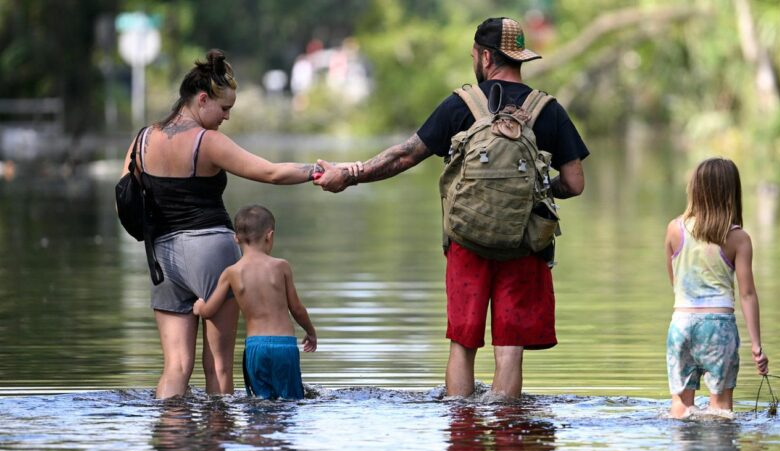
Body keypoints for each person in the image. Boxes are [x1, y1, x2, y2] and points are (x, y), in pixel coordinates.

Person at [314, 17, 589, 398]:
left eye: (475, 55)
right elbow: (575, 183)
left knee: (463, 345)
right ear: (519, 57)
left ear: (486, 57)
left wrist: (351, 173)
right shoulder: (548, 110)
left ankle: (463, 436)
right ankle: (507, 432)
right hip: (525, 244)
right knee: (509, 352)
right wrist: (535, 189)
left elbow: (404, 156)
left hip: (467, 243)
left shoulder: (462, 105)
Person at [120, 49, 324, 399]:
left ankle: (172, 450)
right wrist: (318, 170)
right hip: (211, 252)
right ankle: (218, 449)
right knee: (217, 364)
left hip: (162, 259)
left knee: (176, 366)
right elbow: (271, 172)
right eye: (224, 108)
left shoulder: (142, 140)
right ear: (202, 100)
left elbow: (125, 195)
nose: (226, 117)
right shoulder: (207, 142)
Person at [664, 157, 769, 418]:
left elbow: (675, 283)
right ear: (731, 192)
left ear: (695, 189)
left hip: (682, 323)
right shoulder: (738, 238)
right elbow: (747, 294)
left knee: (680, 408)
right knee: (720, 411)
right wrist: (756, 345)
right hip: (719, 327)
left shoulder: (674, 229)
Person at [193, 205, 317, 400]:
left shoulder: (231, 273)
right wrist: (310, 331)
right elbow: (297, 309)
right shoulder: (281, 267)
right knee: (290, 402)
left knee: (260, 405)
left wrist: (199, 306)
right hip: (283, 346)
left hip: (255, 348)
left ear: (236, 239)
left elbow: (209, 311)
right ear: (270, 236)